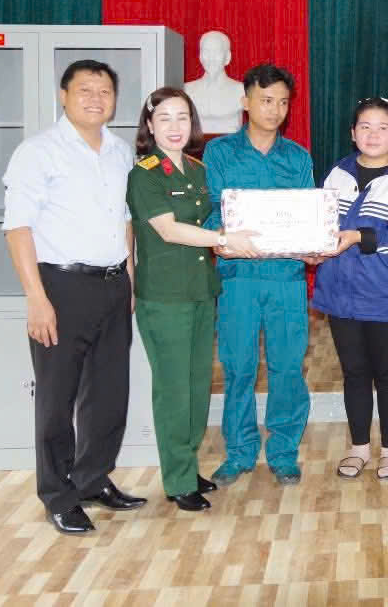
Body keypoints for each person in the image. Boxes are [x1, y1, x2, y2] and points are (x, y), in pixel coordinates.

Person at [1, 60, 147, 535]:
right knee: (56, 398)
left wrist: (129, 277)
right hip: (60, 287)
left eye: (105, 91)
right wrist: (36, 298)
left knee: (108, 394)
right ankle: (58, 495)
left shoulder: (121, 152)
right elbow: (17, 228)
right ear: (63, 96)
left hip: (113, 285)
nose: (95, 99)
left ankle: (92, 479)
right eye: (85, 90)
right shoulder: (37, 152)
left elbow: (125, 219)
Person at [126, 87, 258, 511]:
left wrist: (235, 237)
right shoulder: (145, 174)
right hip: (165, 297)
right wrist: (224, 239)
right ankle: (178, 479)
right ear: (150, 126)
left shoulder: (197, 170)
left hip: (201, 290)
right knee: (174, 390)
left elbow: (213, 222)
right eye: (164, 118)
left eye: (182, 117)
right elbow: (168, 229)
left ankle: (188, 465)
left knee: (198, 386)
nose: (175, 126)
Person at [203, 63, 318, 487]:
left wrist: (314, 243)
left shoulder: (298, 157)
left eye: (283, 102)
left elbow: (309, 214)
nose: (275, 110)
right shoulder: (219, 153)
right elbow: (211, 210)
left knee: (287, 366)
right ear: (246, 101)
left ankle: (283, 451)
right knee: (238, 366)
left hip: (286, 277)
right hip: (238, 277)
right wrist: (221, 236)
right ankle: (239, 451)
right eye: (266, 100)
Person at [311, 97, 388, 481]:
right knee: (354, 372)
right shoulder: (336, 173)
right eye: (365, 127)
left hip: (386, 293)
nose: (373, 135)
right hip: (340, 291)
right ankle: (358, 447)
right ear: (352, 133)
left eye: (382, 128)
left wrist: (359, 236)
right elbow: (321, 225)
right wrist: (313, 248)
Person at [184, 30, 244, 134]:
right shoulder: (187, 90)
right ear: (200, 56)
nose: (211, 58)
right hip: (197, 143)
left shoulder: (241, 90)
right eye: (206, 51)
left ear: (228, 57)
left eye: (217, 52)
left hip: (230, 144)